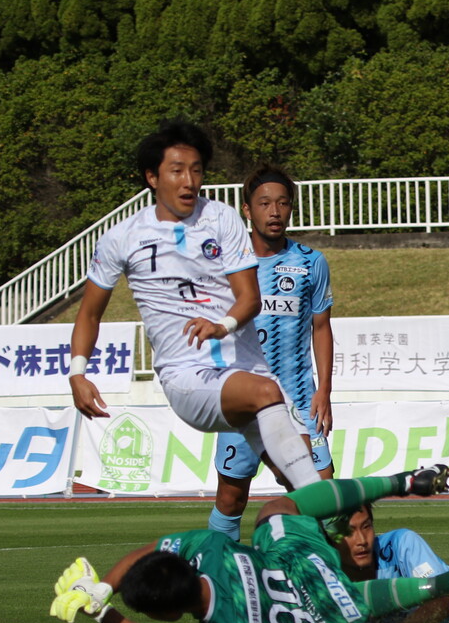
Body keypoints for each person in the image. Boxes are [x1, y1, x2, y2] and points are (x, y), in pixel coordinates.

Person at [67, 120, 319, 494]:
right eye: (177, 171)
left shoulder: (221, 218)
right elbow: (89, 313)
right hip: (188, 375)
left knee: (305, 480)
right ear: (152, 177)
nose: (189, 181)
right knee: (267, 399)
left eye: (197, 170)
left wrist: (222, 325)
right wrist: (78, 374)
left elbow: (250, 298)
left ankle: (309, 525)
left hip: (251, 369)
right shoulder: (121, 238)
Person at [47, 466, 449, 623]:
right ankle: (401, 482)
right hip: (296, 562)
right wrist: (104, 583)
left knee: (350, 604)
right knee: (278, 508)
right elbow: (152, 549)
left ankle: (448, 583)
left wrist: (102, 609)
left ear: (169, 613)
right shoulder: (211, 547)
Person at [208, 164, 335, 540]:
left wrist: (324, 390)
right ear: (247, 209)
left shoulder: (311, 262)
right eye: (264, 203)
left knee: (320, 494)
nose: (275, 211)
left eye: (282, 203)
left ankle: (322, 571)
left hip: (298, 398)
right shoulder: (226, 265)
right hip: (243, 399)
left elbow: (321, 328)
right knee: (231, 498)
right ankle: (220, 567)